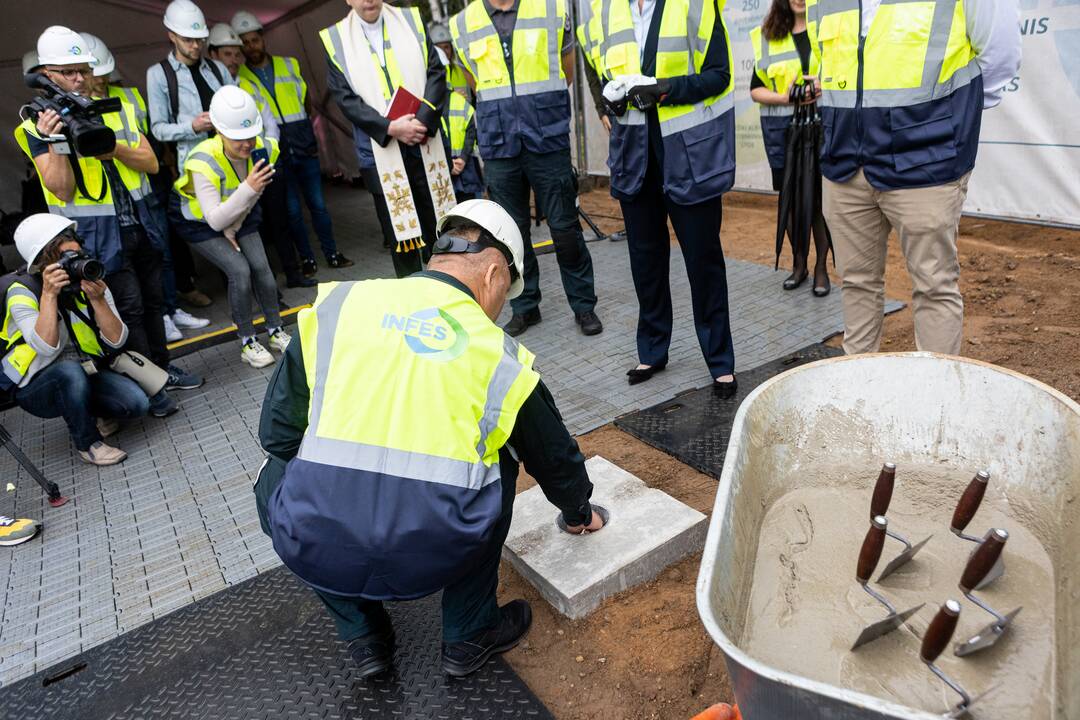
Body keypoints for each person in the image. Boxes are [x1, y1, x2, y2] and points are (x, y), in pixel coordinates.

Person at [254, 199, 602, 679]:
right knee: (496, 458)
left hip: (317, 543)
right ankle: (469, 632)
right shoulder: (496, 355)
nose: (501, 310)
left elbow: (276, 435)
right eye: (507, 295)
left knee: (273, 476)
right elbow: (552, 457)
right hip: (434, 550)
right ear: (495, 275)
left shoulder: (339, 306)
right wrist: (579, 512)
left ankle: (363, 635)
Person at [806, 0, 1021, 355]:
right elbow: (830, 63)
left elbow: (1000, 57)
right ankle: (859, 391)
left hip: (926, 160)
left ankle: (933, 403)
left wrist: (949, 119)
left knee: (934, 286)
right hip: (845, 159)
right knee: (857, 283)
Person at [15, 26, 203, 396]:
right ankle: (149, 387)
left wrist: (110, 147)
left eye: (84, 70)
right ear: (46, 74)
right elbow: (62, 188)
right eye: (69, 72)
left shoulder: (112, 108)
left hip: (140, 220)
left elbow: (151, 163)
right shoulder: (34, 127)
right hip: (95, 232)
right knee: (127, 310)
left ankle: (163, 371)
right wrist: (55, 142)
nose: (81, 79)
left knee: (154, 303)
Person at [576, 0, 738, 396]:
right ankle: (652, 350)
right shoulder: (604, 12)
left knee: (703, 262)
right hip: (634, 156)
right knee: (645, 261)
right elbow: (597, 70)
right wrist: (606, 101)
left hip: (687, 154)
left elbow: (719, 76)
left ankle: (720, 361)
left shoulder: (694, 6)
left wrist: (666, 89)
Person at [451, 0, 603, 338]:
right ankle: (525, 307)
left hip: (547, 138)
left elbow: (566, 72)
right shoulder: (463, 22)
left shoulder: (550, 8)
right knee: (510, 234)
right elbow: (473, 83)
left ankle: (583, 305)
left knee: (564, 229)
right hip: (499, 144)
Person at [2, 215, 171, 465]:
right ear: (43, 261)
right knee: (68, 372)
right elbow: (46, 348)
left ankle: (90, 410)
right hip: (39, 385)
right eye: (66, 260)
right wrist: (49, 295)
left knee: (136, 404)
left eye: (77, 255)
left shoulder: (88, 277)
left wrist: (99, 300)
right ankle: (88, 443)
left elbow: (117, 340)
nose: (76, 263)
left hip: (88, 369)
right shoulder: (23, 291)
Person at [80, 31, 214, 341]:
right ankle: (161, 319)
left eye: (103, 73)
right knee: (134, 269)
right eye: (94, 74)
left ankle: (170, 309)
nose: (100, 80)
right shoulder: (79, 111)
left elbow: (151, 142)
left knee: (163, 253)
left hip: (145, 189)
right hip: (112, 202)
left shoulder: (127, 97)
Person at [320, 0, 455, 279]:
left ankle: (448, 288)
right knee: (401, 239)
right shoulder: (334, 38)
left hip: (422, 141)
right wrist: (390, 127)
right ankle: (414, 299)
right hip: (379, 151)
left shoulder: (410, 20)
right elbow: (344, 98)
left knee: (439, 229)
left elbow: (436, 73)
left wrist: (422, 121)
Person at [170, 86, 291, 369]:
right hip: (198, 222)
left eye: (250, 135)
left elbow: (255, 192)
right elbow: (214, 219)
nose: (246, 144)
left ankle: (275, 330)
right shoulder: (202, 160)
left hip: (240, 212)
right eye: (237, 138)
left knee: (263, 268)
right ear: (219, 131)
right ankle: (248, 341)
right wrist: (245, 192)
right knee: (239, 270)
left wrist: (234, 225)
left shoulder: (265, 147)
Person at [231, 10, 354, 276]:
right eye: (245, 42)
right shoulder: (238, 76)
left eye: (254, 40)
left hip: (302, 142)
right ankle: (307, 260)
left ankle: (332, 254)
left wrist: (301, 130)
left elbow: (307, 101)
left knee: (318, 205)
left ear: (263, 38)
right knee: (293, 212)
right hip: (274, 151)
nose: (251, 46)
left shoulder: (290, 64)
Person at [208, 23, 315, 291]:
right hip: (230, 173)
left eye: (236, 54)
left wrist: (261, 156)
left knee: (280, 221)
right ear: (213, 56)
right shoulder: (211, 92)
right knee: (243, 228)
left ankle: (292, 274)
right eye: (227, 54)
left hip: (261, 165)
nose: (233, 60)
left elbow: (270, 124)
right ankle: (254, 290)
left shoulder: (247, 84)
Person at [147, 0, 234, 315]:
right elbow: (157, 129)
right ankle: (230, 293)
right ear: (171, 35)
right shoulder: (158, 75)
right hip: (195, 168)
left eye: (200, 39)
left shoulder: (219, 69)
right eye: (188, 39)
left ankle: (244, 291)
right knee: (212, 229)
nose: (196, 45)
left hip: (231, 161)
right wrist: (192, 126)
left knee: (241, 224)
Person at [749, 0, 830, 296]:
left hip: (821, 130)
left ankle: (821, 268)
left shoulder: (828, 27)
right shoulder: (768, 35)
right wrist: (786, 98)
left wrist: (826, 85)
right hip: (782, 133)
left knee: (818, 203)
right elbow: (755, 90)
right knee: (791, 204)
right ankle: (799, 265)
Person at [441, 79, 484, 202]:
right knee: (468, 212)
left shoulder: (427, 105)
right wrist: (463, 158)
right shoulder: (460, 100)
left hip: (455, 167)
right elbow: (472, 132)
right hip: (463, 165)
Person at [427, 22, 471, 101]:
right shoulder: (428, 75)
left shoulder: (462, 70)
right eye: (439, 48)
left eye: (446, 47)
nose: (443, 52)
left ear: (451, 48)